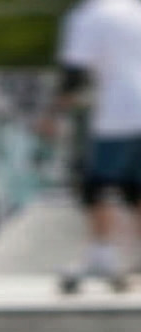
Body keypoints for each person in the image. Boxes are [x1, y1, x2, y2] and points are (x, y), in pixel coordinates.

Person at [49, 0, 141, 292]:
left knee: (96, 186)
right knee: (134, 188)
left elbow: (74, 74)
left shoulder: (88, 17)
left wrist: (53, 115)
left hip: (118, 114)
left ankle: (102, 255)